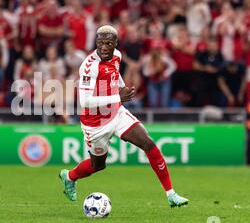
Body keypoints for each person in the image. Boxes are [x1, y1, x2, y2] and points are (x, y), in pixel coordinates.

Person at [59, 25, 189, 208]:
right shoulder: (89, 67)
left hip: (116, 113)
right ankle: (70, 176)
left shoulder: (117, 56)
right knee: (98, 165)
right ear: (95, 42)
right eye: (100, 43)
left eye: (108, 43)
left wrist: (121, 86)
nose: (104, 47)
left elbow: (115, 73)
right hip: (95, 124)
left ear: (115, 44)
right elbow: (86, 102)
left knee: (148, 143)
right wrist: (117, 96)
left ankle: (171, 194)